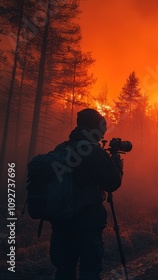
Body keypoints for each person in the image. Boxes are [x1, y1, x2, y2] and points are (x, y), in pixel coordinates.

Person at [50, 108, 123, 279]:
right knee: (90, 271)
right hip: (87, 224)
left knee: (64, 271)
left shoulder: (61, 148)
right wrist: (116, 160)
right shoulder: (93, 151)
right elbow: (113, 183)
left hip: (61, 223)